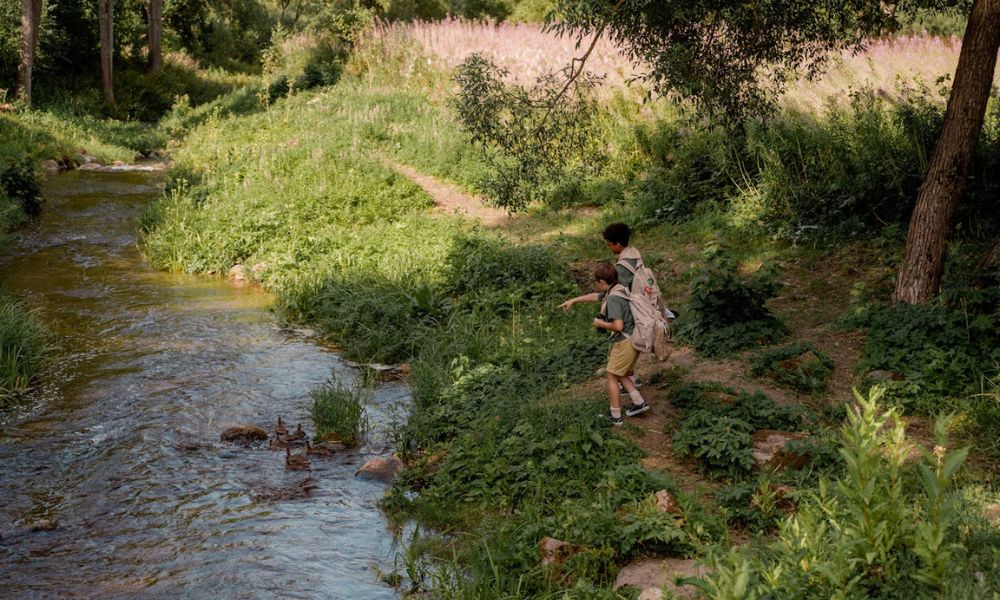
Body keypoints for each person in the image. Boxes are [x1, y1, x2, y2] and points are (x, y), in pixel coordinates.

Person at [559, 263, 650, 425]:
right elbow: (596, 296)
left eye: (596, 281)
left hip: (624, 343)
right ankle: (639, 403)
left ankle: (615, 417)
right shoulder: (617, 289)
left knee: (611, 376)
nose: (596, 284)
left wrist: (600, 324)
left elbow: (618, 326)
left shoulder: (613, 299)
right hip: (632, 340)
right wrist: (573, 300)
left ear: (601, 281)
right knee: (620, 373)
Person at [602, 222, 643, 392]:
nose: (609, 248)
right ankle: (632, 381)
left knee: (620, 358)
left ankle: (631, 384)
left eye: (610, 245)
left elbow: (618, 292)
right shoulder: (634, 254)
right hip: (639, 303)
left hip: (632, 311)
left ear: (617, 244)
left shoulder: (622, 267)